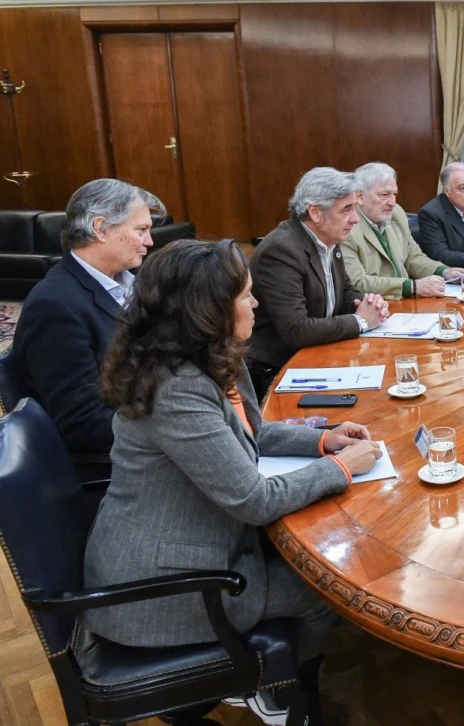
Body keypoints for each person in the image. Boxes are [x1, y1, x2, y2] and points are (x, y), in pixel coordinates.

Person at [82, 239, 381, 725]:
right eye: (245, 296)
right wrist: (343, 469)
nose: (256, 304)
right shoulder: (177, 386)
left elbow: (254, 433)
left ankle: (273, 683)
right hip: (164, 586)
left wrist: (324, 442)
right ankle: (271, 688)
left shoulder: (212, 358)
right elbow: (253, 498)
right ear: (209, 312)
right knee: (321, 593)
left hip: (194, 541)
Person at [11, 179, 162, 462]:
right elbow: (82, 423)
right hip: (116, 462)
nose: (149, 242)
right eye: (140, 230)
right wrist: (174, 428)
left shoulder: (134, 283)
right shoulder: (55, 306)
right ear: (100, 229)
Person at [247, 167, 391, 400]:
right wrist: (361, 321)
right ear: (315, 213)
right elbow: (297, 330)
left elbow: (344, 290)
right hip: (277, 373)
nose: (355, 219)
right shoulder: (281, 251)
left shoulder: (329, 239)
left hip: (318, 356)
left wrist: (367, 304)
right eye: (346, 210)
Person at [343, 162, 464, 299]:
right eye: (384, 195)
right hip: (374, 307)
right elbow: (357, 282)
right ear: (360, 197)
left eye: (394, 194)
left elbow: (412, 257)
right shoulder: (347, 227)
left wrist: (444, 272)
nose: (392, 202)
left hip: (405, 305)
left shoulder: (396, 213)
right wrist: (412, 287)